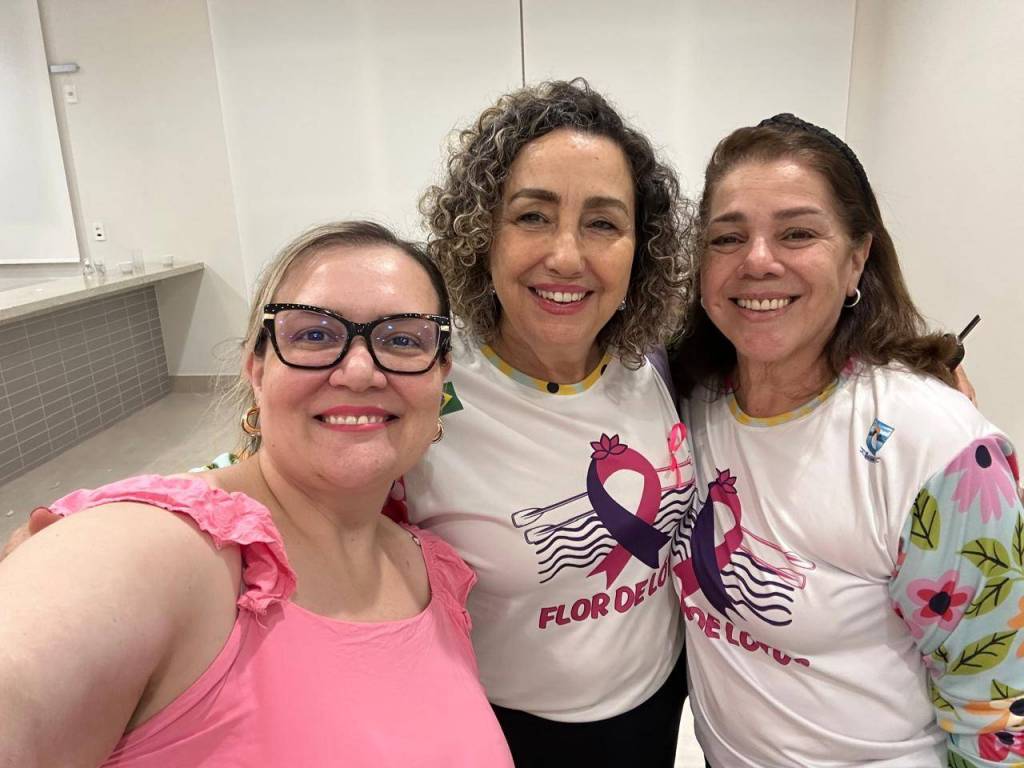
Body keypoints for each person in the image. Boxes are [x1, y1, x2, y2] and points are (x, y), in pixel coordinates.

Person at [0, 221, 514, 767]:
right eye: (314, 335)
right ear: (257, 369)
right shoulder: (165, 550)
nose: (360, 371)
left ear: (440, 377)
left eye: (403, 340)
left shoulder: (434, 571)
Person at [669, 114, 1024, 766]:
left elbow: (999, 714)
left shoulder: (940, 450)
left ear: (857, 257)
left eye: (797, 233)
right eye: (727, 238)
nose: (757, 260)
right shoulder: (689, 400)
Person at [402, 79, 695, 766]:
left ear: (641, 247)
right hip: (509, 730)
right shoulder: (425, 388)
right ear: (483, 233)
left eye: (603, 223)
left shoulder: (656, 361)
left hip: (657, 707)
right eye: (533, 216)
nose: (566, 255)